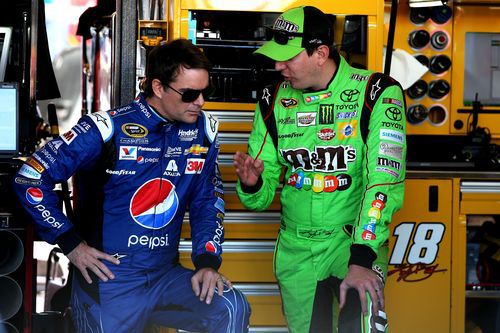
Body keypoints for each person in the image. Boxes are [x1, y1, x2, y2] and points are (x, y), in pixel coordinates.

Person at [13, 38, 250, 333]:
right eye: (189, 94)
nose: (200, 102)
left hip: (165, 275)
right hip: (110, 279)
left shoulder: (203, 131)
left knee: (232, 306)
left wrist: (207, 262)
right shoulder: (105, 129)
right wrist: (72, 244)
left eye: (206, 91)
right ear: (158, 87)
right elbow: (30, 178)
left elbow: (206, 200)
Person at [233, 6, 406, 333]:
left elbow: (383, 183)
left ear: (320, 53)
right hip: (296, 251)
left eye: (287, 57)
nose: (278, 66)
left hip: (352, 245)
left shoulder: (376, 93)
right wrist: (253, 184)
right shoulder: (272, 99)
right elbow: (258, 198)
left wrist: (362, 257)